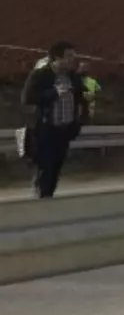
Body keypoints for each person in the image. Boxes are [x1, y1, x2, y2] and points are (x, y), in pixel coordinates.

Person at [22, 42, 89, 198]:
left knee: (57, 166)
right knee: (46, 164)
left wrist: (79, 121)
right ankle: (42, 194)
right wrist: (53, 93)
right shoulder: (41, 75)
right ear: (57, 58)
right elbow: (28, 98)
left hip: (64, 128)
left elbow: (81, 99)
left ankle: (48, 193)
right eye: (69, 56)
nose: (73, 60)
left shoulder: (72, 77)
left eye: (74, 56)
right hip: (46, 128)